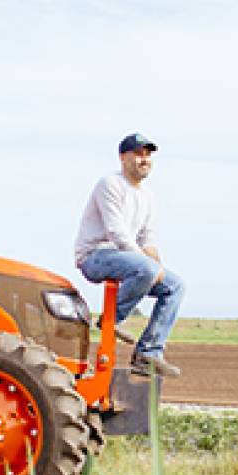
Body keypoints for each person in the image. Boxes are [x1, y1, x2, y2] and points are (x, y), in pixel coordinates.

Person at [74, 132, 185, 377]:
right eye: (138, 154)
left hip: (126, 259)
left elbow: (147, 236)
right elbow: (117, 233)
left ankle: (149, 353)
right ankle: (112, 320)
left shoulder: (147, 196)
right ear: (123, 157)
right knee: (146, 269)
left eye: (147, 155)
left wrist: (156, 263)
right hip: (96, 255)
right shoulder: (110, 184)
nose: (144, 160)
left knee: (175, 285)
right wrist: (148, 265)